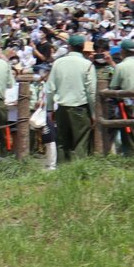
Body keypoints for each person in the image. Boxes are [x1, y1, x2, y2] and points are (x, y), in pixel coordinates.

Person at [46, 33, 97, 167]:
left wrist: (49, 108)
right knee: (81, 141)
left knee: (62, 142)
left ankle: (63, 172)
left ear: (69, 46)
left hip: (62, 108)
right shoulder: (87, 65)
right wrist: (94, 114)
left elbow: (50, 88)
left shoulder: (57, 63)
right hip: (80, 108)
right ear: (83, 47)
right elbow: (91, 92)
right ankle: (78, 171)